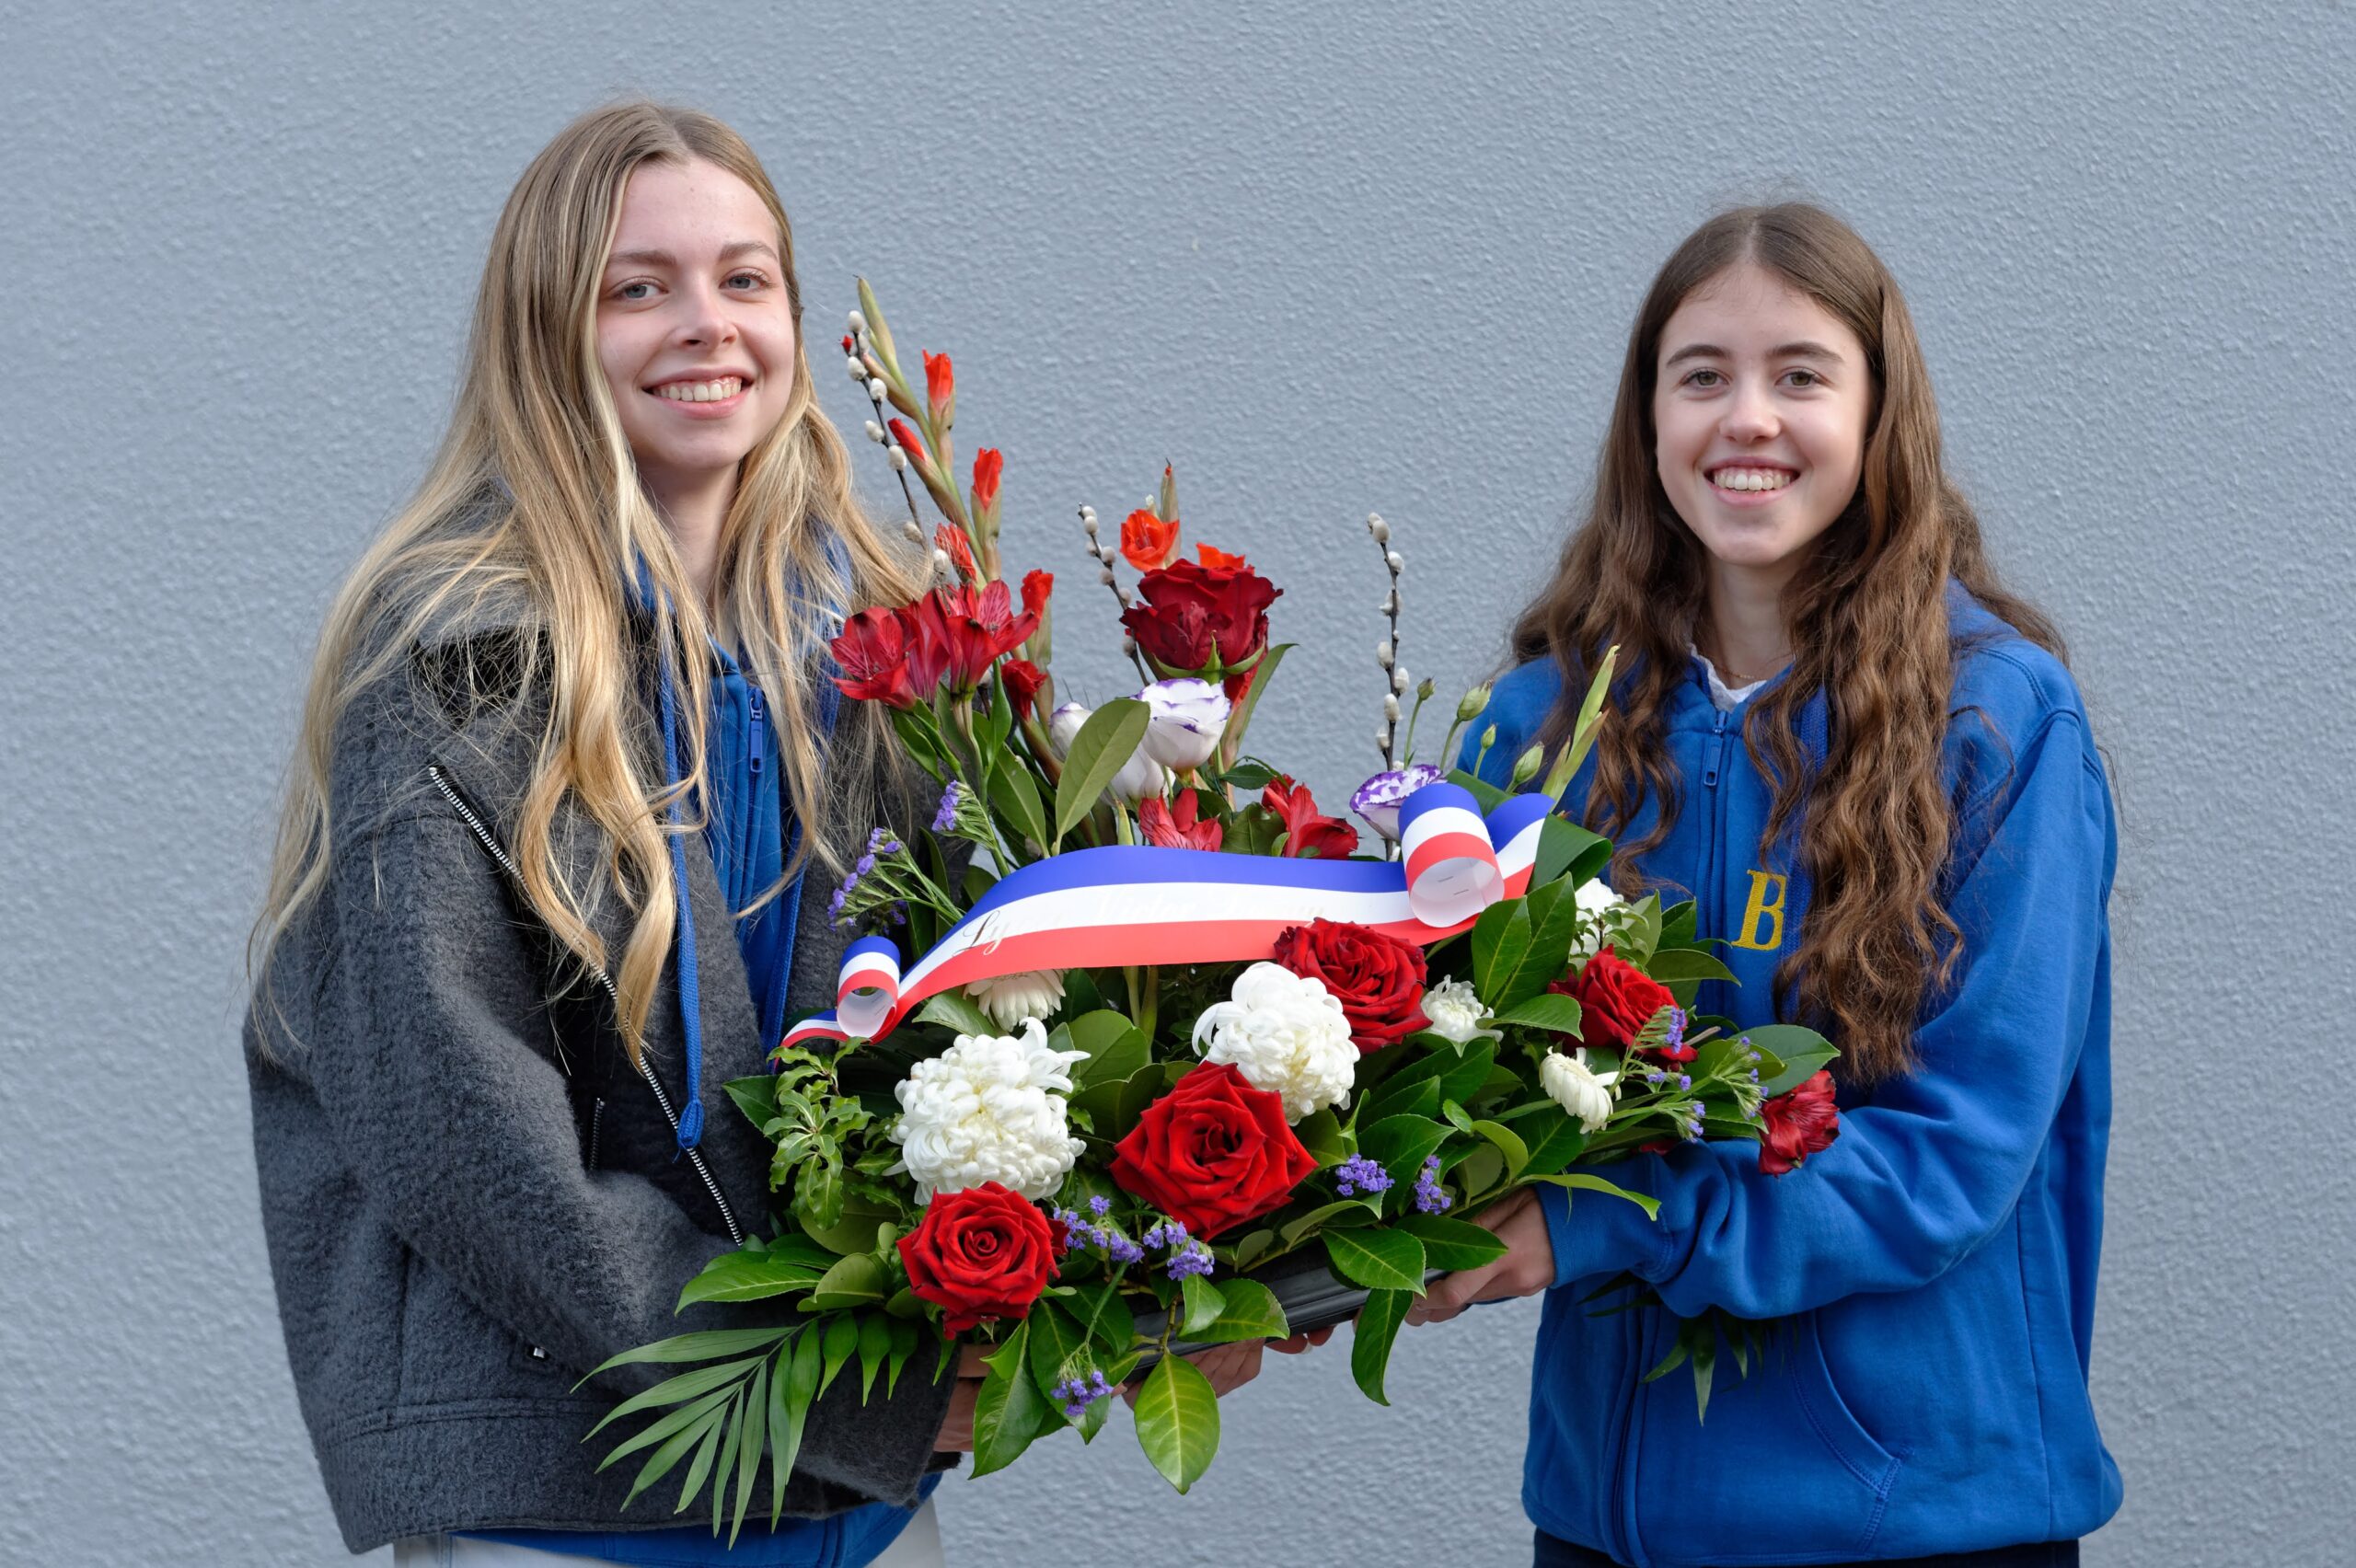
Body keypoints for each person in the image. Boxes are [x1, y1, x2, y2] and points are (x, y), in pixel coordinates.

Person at [244, 99, 1268, 1565]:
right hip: (574, 1501)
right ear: (547, 330)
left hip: (855, 1508)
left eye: (744, 279)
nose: (705, 325)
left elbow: (1006, 992)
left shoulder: (883, 642)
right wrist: (828, 1388)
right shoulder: (452, 666)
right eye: (637, 287)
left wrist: (1192, 1248)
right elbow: (469, 1151)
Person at [1413, 204, 2119, 1568]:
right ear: (1648, 419)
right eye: (1703, 376)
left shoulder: (1996, 725)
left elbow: (1957, 1153)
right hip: (1609, 1525)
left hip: (1914, 1523)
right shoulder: (1540, 726)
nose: (1748, 417)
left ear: (1878, 413)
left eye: (1800, 374)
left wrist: (1603, 1216)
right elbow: (1448, 1066)